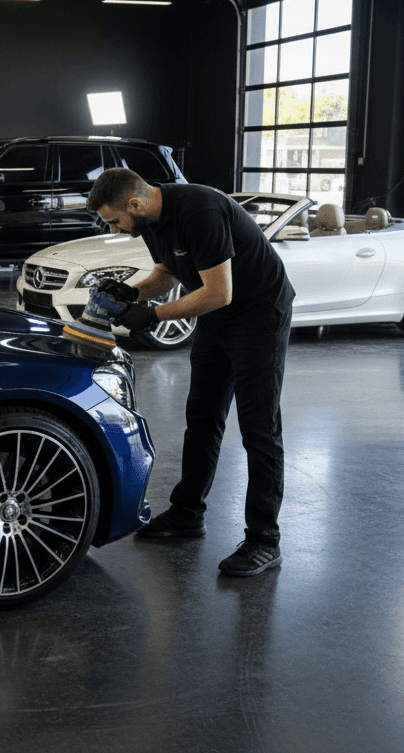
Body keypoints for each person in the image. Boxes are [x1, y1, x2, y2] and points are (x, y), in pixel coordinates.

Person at [86, 168, 295, 577]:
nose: (114, 227)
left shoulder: (200, 210)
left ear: (135, 203)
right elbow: (167, 272)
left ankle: (264, 541)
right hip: (218, 318)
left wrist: (151, 315)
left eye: (114, 220)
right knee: (202, 416)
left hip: (258, 315)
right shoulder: (148, 220)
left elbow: (220, 291)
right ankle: (187, 513)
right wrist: (132, 293)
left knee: (259, 429)